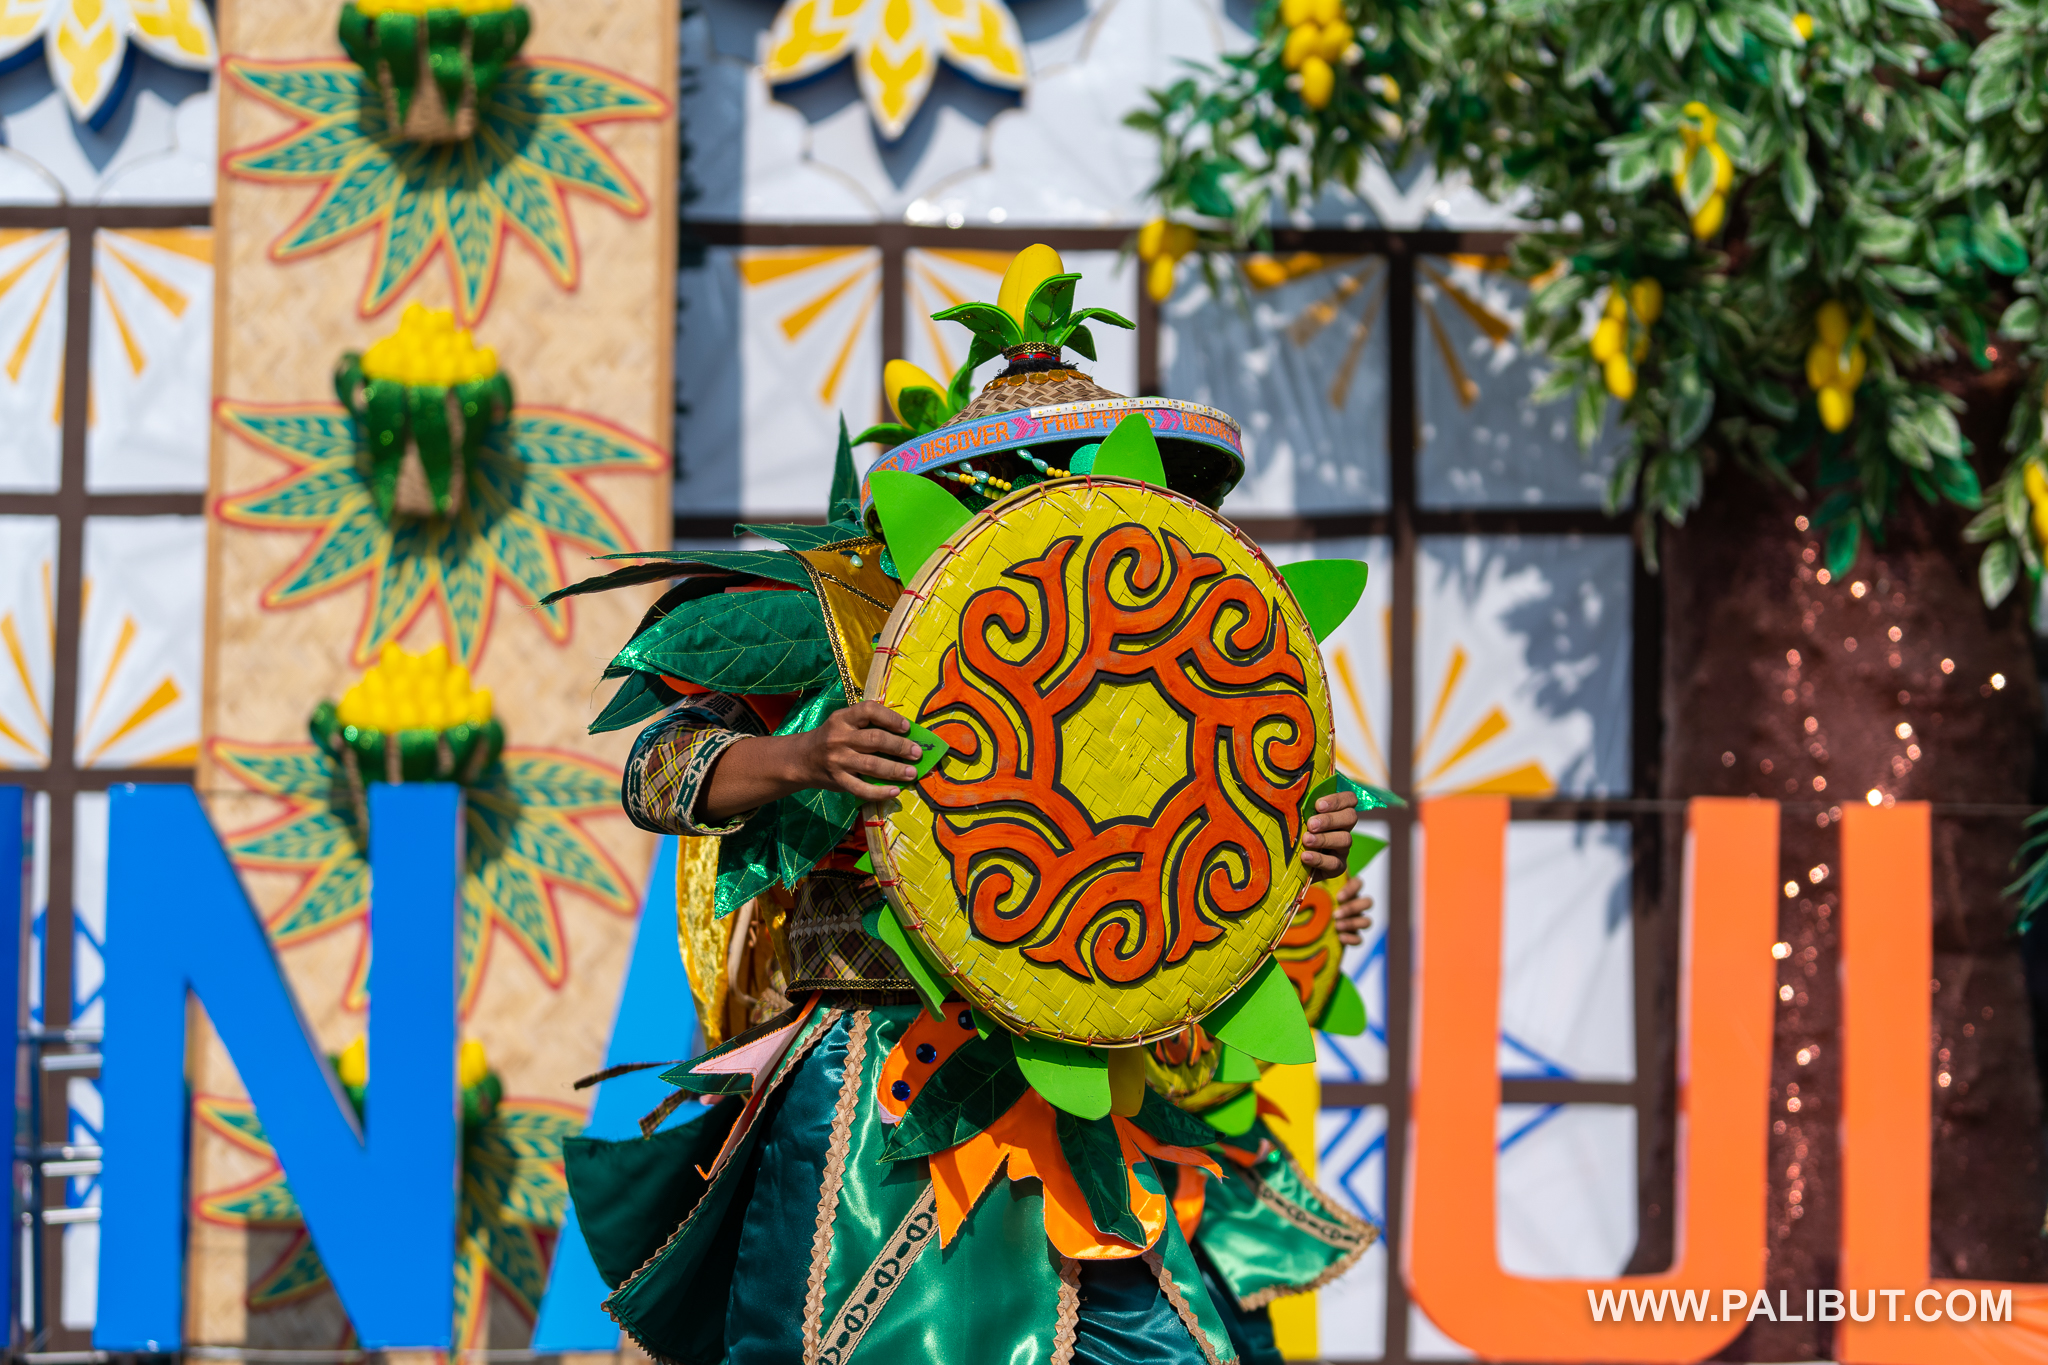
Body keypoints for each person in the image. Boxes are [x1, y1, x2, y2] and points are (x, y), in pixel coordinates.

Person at [561, 246, 1378, 1365]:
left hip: (1094, 1089)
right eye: (1055, 476)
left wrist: (1292, 847)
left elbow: (1198, 861)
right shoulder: (847, 613)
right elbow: (655, 773)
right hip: (883, 1089)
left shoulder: (1149, 651)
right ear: (985, 491)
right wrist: (805, 757)